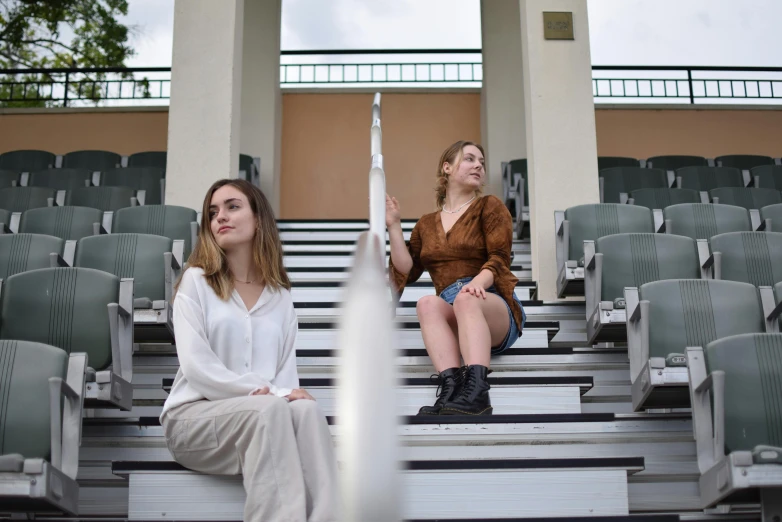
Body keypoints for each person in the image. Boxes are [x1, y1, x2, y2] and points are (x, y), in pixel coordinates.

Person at [160, 179, 340, 522]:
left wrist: (283, 394)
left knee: (307, 412)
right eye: (213, 213)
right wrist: (268, 393)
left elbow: (285, 374)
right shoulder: (196, 281)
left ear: (259, 219)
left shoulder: (280, 296)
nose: (219, 218)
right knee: (268, 409)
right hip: (192, 421)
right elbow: (197, 369)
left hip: (259, 416)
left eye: (232, 206)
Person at [386, 141, 526, 416]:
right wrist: (393, 225)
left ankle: (478, 393)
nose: (478, 166)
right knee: (426, 303)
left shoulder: (489, 206)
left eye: (482, 163)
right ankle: (451, 391)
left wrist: (477, 283)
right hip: (457, 310)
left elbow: (499, 258)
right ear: (447, 168)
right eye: (470, 159)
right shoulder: (426, 223)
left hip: (492, 303)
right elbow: (407, 269)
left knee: (466, 299)